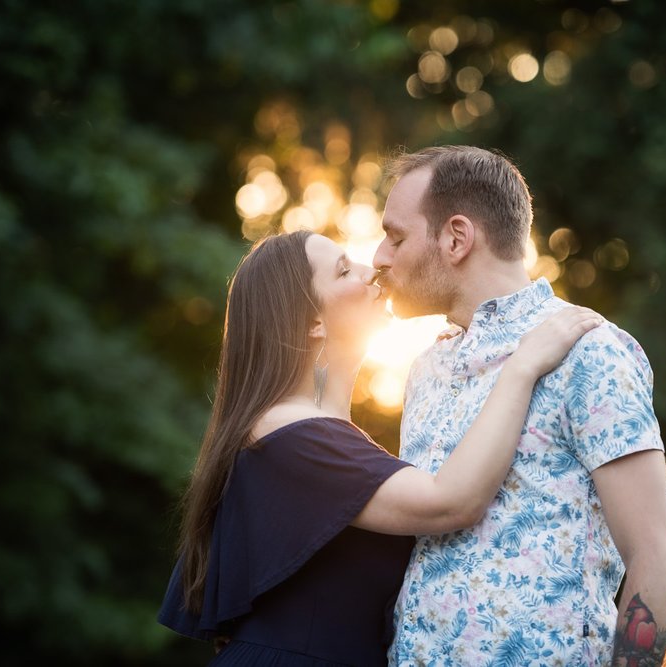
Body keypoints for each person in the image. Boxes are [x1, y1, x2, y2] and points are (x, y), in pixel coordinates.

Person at [157, 229, 603, 666]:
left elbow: (332, 424)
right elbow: (450, 501)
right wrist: (522, 366)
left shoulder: (297, 430)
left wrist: (346, 359)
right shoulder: (292, 437)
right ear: (314, 322)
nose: (373, 271)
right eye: (345, 270)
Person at [373, 145, 666, 666]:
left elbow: (657, 559)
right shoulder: (427, 370)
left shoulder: (591, 351)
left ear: (456, 238)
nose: (380, 257)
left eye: (396, 236)